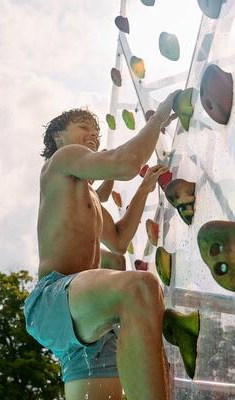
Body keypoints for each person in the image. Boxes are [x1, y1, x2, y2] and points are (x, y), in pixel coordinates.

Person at [24, 91, 196, 400]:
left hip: (87, 314)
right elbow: (124, 162)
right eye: (82, 127)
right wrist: (157, 119)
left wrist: (143, 190)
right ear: (59, 137)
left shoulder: (90, 196)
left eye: (96, 132)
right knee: (140, 287)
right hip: (55, 298)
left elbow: (118, 240)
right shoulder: (61, 160)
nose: (92, 134)